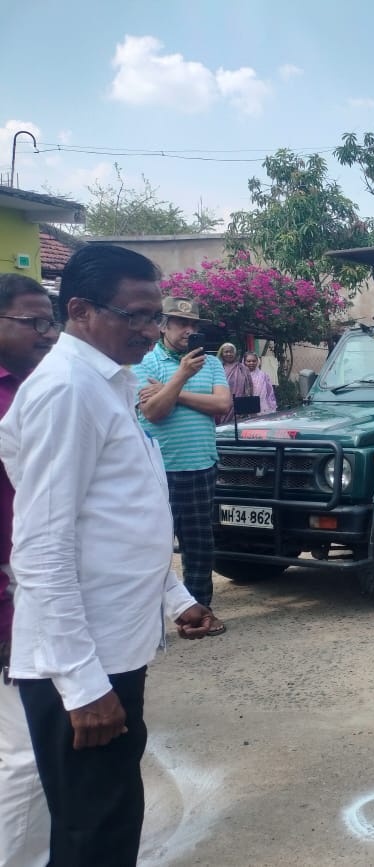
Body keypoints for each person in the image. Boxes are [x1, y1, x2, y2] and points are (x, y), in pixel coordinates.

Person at [0, 244, 214, 866]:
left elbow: (122, 516)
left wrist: (175, 597)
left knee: (112, 820)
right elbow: (40, 545)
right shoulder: (68, 389)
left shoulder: (108, 383)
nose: (152, 332)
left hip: (112, 647)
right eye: (138, 317)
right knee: (93, 836)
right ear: (80, 310)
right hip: (82, 664)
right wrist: (84, 685)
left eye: (157, 317)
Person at [0, 274, 59, 867]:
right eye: (32, 322)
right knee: (26, 756)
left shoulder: (46, 385)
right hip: (13, 600)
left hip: (30, 594)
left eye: (50, 321)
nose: (47, 333)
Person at [134, 297, 231, 634]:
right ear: (163, 325)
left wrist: (172, 391)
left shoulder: (213, 364)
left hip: (200, 465)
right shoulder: (145, 363)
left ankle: (200, 613)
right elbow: (153, 412)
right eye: (180, 323)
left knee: (199, 544)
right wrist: (181, 377)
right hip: (157, 470)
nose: (189, 330)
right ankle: (150, 620)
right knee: (154, 544)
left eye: (193, 324)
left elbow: (221, 404)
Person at [216, 341, 252, 424]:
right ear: (221, 353)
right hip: (223, 404)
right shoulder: (218, 368)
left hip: (240, 406)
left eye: (231, 352)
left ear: (235, 353)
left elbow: (249, 387)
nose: (229, 354)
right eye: (226, 352)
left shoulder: (242, 368)